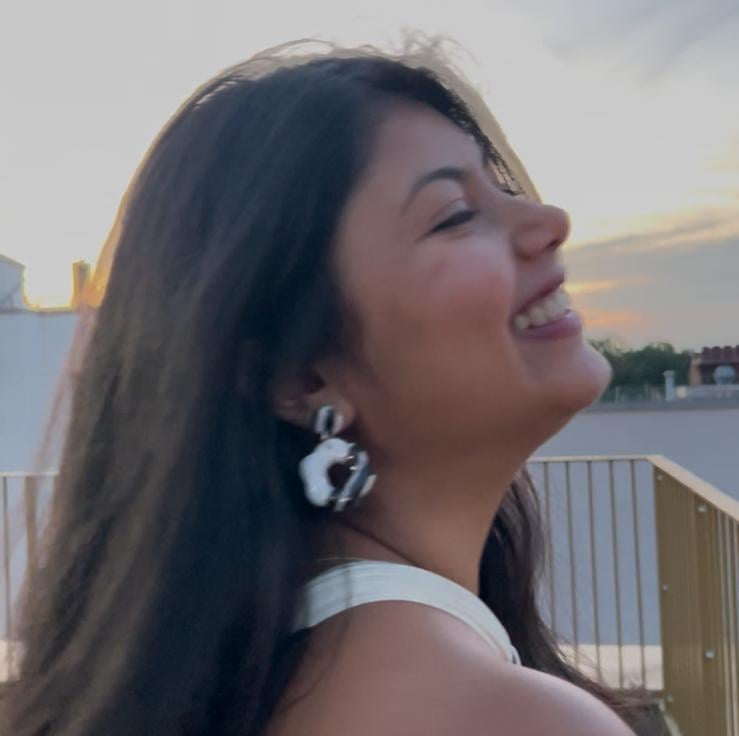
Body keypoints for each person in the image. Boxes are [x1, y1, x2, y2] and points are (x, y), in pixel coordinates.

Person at [4, 41, 657, 736]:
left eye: (500, 188)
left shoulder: (254, 670)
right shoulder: (506, 717)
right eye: (454, 215)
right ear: (301, 378)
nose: (548, 223)